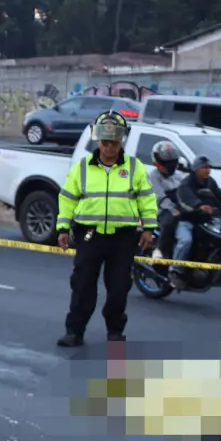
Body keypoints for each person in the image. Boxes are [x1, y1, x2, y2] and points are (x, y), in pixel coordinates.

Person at [56, 110, 158, 346]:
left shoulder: (135, 168)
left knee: (119, 288)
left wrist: (148, 228)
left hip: (123, 238)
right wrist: (63, 228)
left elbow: (146, 199)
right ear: (97, 140)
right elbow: (68, 198)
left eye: (114, 142)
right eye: (105, 142)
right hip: (89, 234)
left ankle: (115, 332)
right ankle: (74, 332)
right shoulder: (83, 168)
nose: (109, 147)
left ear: (122, 141)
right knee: (82, 285)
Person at [169, 155, 221, 289]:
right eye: (204, 167)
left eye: (208, 167)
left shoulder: (209, 182)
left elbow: (220, 195)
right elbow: (186, 199)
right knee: (186, 241)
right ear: (196, 169)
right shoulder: (186, 183)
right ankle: (175, 271)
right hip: (186, 219)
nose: (207, 170)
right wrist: (199, 205)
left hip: (204, 221)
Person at [146, 139, 183, 263]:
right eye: (168, 163)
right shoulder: (153, 177)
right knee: (170, 220)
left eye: (173, 163)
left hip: (178, 207)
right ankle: (159, 249)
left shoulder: (178, 176)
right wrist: (173, 209)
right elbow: (159, 197)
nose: (171, 166)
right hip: (161, 209)